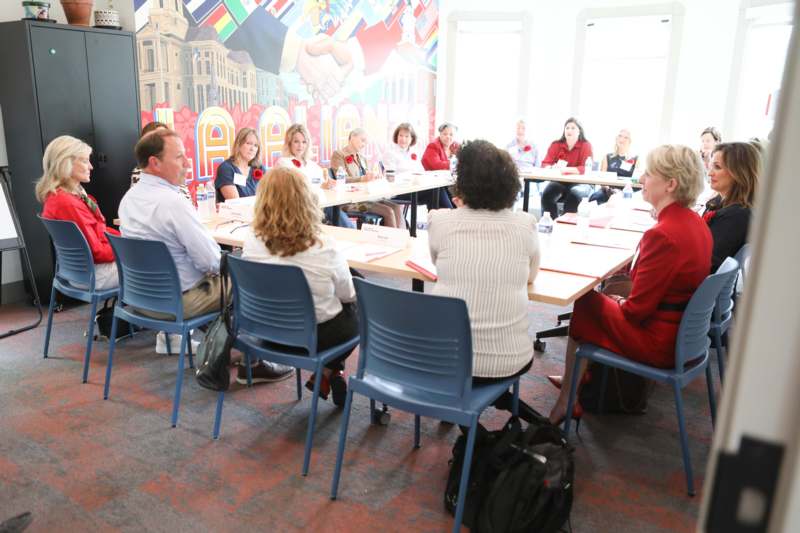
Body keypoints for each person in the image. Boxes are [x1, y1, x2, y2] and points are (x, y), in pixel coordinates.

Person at [547, 145, 711, 425]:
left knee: (587, 301)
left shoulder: (663, 235)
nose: (642, 178)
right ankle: (576, 381)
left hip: (660, 344)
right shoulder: (697, 224)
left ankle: (568, 396)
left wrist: (617, 301)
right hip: (685, 337)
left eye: (649, 174)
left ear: (670, 184)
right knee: (604, 297)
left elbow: (636, 311)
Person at [119, 128, 292, 383]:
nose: (188, 163)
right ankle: (253, 362)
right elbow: (211, 262)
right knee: (253, 275)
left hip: (141, 299)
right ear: (154, 163)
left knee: (234, 269)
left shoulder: (129, 199)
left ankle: (224, 346)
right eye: (179, 157)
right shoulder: (173, 202)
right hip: (177, 302)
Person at [428, 140, 540, 409]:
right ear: (510, 183)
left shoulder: (440, 221)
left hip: (446, 360)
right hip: (509, 360)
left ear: (462, 182)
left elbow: (436, 263)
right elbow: (531, 276)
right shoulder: (525, 225)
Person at [241, 167, 358, 405]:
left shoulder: (251, 240)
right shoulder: (323, 244)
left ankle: (328, 373)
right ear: (307, 198)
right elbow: (349, 295)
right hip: (314, 337)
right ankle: (329, 370)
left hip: (267, 332)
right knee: (360, 308)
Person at [37, 135, 119, 291]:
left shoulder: (59, 196)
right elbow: (97, 253)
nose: (91, 166)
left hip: (77, 273)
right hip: (93, 274)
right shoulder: (68, 203)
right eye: (84, 161)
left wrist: (123, 238)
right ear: (65, 163)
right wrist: (126, 249)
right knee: (156, 265)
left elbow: (97, 232)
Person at [276, 123, 355, 228]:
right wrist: (321, 185)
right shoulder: (283, 163)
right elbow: (298, 187)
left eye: (304, 142)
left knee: (339, 216)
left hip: (320, 204)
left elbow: (324, 182)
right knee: (342, 222)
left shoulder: (311, 164)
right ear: (289, 143)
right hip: (299, 207)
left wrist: (329, 184)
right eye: (296, 142)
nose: (300, 146)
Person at [330, 128, 406, 228]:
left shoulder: (363, 158)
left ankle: (401, 240)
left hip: (367, 197)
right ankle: (390, 243)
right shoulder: (339, 154)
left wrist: (375, 177)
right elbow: (341, 180)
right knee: (388, 211)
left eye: (366, 142)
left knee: (396, 208)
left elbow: (368, 178)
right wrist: (362, 179)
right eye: (363, 140)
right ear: (352, 137)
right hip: (350, 202)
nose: (364, 144)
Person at [703, 142, 760, 273]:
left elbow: (710, 263)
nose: (710, 173)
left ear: (738, 172)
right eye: (711, 166)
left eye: (717, 167)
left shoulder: (737, 216)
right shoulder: (720, 203)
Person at [384, 122, 453, 209]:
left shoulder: (413, 152)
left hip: (415, 188)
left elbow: (421, 172)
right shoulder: (390, 153)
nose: (403, 139)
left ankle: (443, 218)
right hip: (399, 191)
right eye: (400, 135)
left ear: (412, 138)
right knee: (435, 191)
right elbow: (390, 179)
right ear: (396, 137)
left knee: (439, 189)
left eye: (406, 136)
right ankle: (450, 217)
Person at [539, 117, 594, 218]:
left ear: (579, 131)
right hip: (560, 181)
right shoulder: (556, 145)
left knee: (574, 195)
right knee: (547, 195)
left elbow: (585, 168)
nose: (569, 130)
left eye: (573, 128)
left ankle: (566, 225)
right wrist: (551, 168)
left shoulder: (586, 145)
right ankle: (551, 224)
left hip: (581, 183)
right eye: (567, 128)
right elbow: (545, 164)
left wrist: (565, 170)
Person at [131, 121, 192, 203]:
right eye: (159, 137)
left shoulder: (176, 170)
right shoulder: (140, 173)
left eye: (166, 135)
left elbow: (187, 200)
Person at [589, 128, 639, 204]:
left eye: (626, 137)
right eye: (620, 136)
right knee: (595, 198)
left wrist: (622, 192)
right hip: (608, 191)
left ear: (630, 141)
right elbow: (602, 181)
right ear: (616, 139)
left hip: (626, 192)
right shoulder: (607, 157)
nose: (622, 139)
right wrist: (610, 190)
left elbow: (636, 180)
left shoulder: (635, 159)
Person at [214, 127, 265, 201]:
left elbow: (270, 197)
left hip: (258, 211)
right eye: (248, 143)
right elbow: (236, 203)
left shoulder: (260, 168)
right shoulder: (226, 169)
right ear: (239, 144)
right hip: (237, 212)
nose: (252, 148)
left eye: (256, 145)